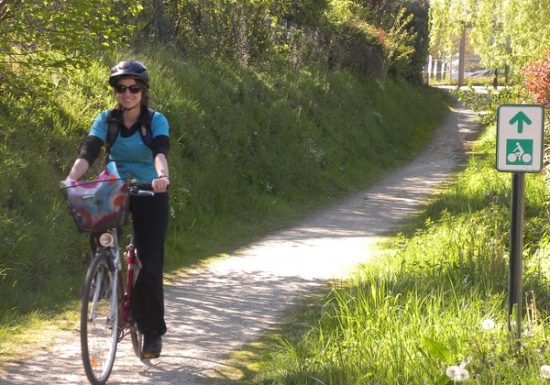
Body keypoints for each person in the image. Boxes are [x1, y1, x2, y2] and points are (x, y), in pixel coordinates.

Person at [66, 60, 170, 359]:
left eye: (134, 88)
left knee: (149, 263)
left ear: (143, 91)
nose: (127, 94)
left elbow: (160, 153)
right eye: (121, 88)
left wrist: (162, 178)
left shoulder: (156, 121)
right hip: (115, 189)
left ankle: (150, 331)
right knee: (100, 238)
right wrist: (72, 179)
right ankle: (106, 273)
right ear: (115, 91)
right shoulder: (107, 120)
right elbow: (89, 151)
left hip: (150, 190)